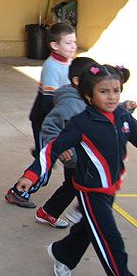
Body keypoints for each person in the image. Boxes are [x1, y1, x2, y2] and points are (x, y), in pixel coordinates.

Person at [15, 64, 135, 276]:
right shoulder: (81, 123)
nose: (112, 97)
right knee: (110, 241)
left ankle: (63, 254)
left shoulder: (122, 117)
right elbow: (53, 148)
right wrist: (32, 175)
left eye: (116, 90)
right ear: (89, 94)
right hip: (90, 191)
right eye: (104, 91)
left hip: (110, 188)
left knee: (88, 230)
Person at [35, 60, 135, 228]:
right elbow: (50, 125)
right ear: (78, 82)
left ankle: (51, 212)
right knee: (81, 184)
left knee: (73, 184)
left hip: (85, 153)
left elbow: (106, 111)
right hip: (76, 153)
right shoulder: (70, 102)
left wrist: (125, 107)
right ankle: (76, 210)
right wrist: (60, 145)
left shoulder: (90, 100)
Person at [5, 22, 77, 208]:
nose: (73, 46)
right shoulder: (52, 67)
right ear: (55, 46)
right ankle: (18, 192)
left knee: (49, 157)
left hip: (57, 119)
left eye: (74, 42)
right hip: (46, 121)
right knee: (46, 164)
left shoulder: (68, 62)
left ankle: (41, 152)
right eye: (68, 43)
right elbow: (47, 102)